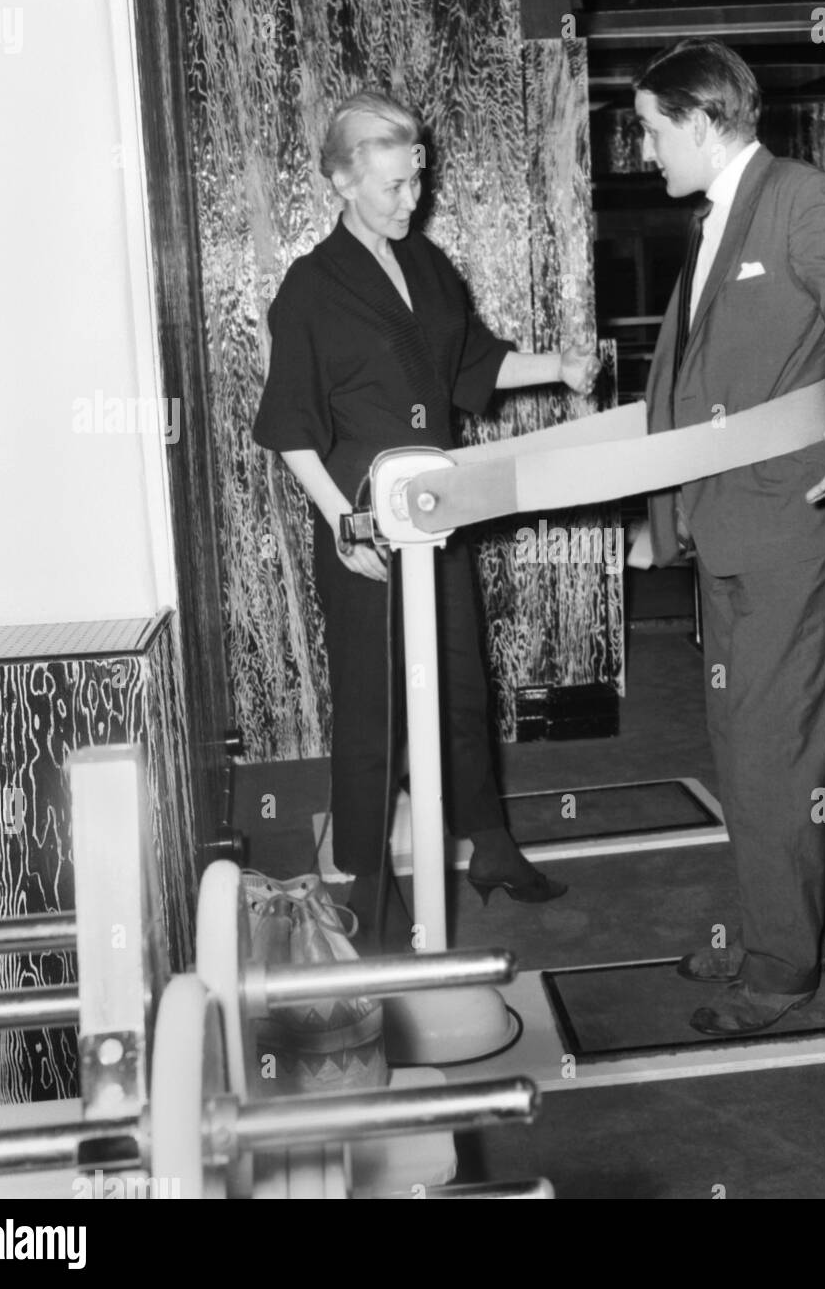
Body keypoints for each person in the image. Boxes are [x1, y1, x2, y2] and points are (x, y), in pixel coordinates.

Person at [253, 91, 597, 947]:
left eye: (417, 181)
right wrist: (343, 524)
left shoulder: (430, 265)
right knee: (373, 709)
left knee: (461, 684)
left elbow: (473, 363)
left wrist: (565, 364)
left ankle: (491, 844)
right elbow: (290, 426)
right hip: (365, 526)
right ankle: (367, 887)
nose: (413, 200)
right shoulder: (309, 288)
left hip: (438, 513)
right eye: (394, 186)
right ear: (341, 181)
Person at [633, 38, 825, 1034]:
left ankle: (781, 971)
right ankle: (762, 929)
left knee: (775, 755)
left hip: (793, 535)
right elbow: (692, 384)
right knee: (739, 747)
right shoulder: (715, 221)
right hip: (727, 533)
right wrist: (659, 515)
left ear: (702, 120)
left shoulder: (801, 197)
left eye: (650, 127)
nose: (642, 150)